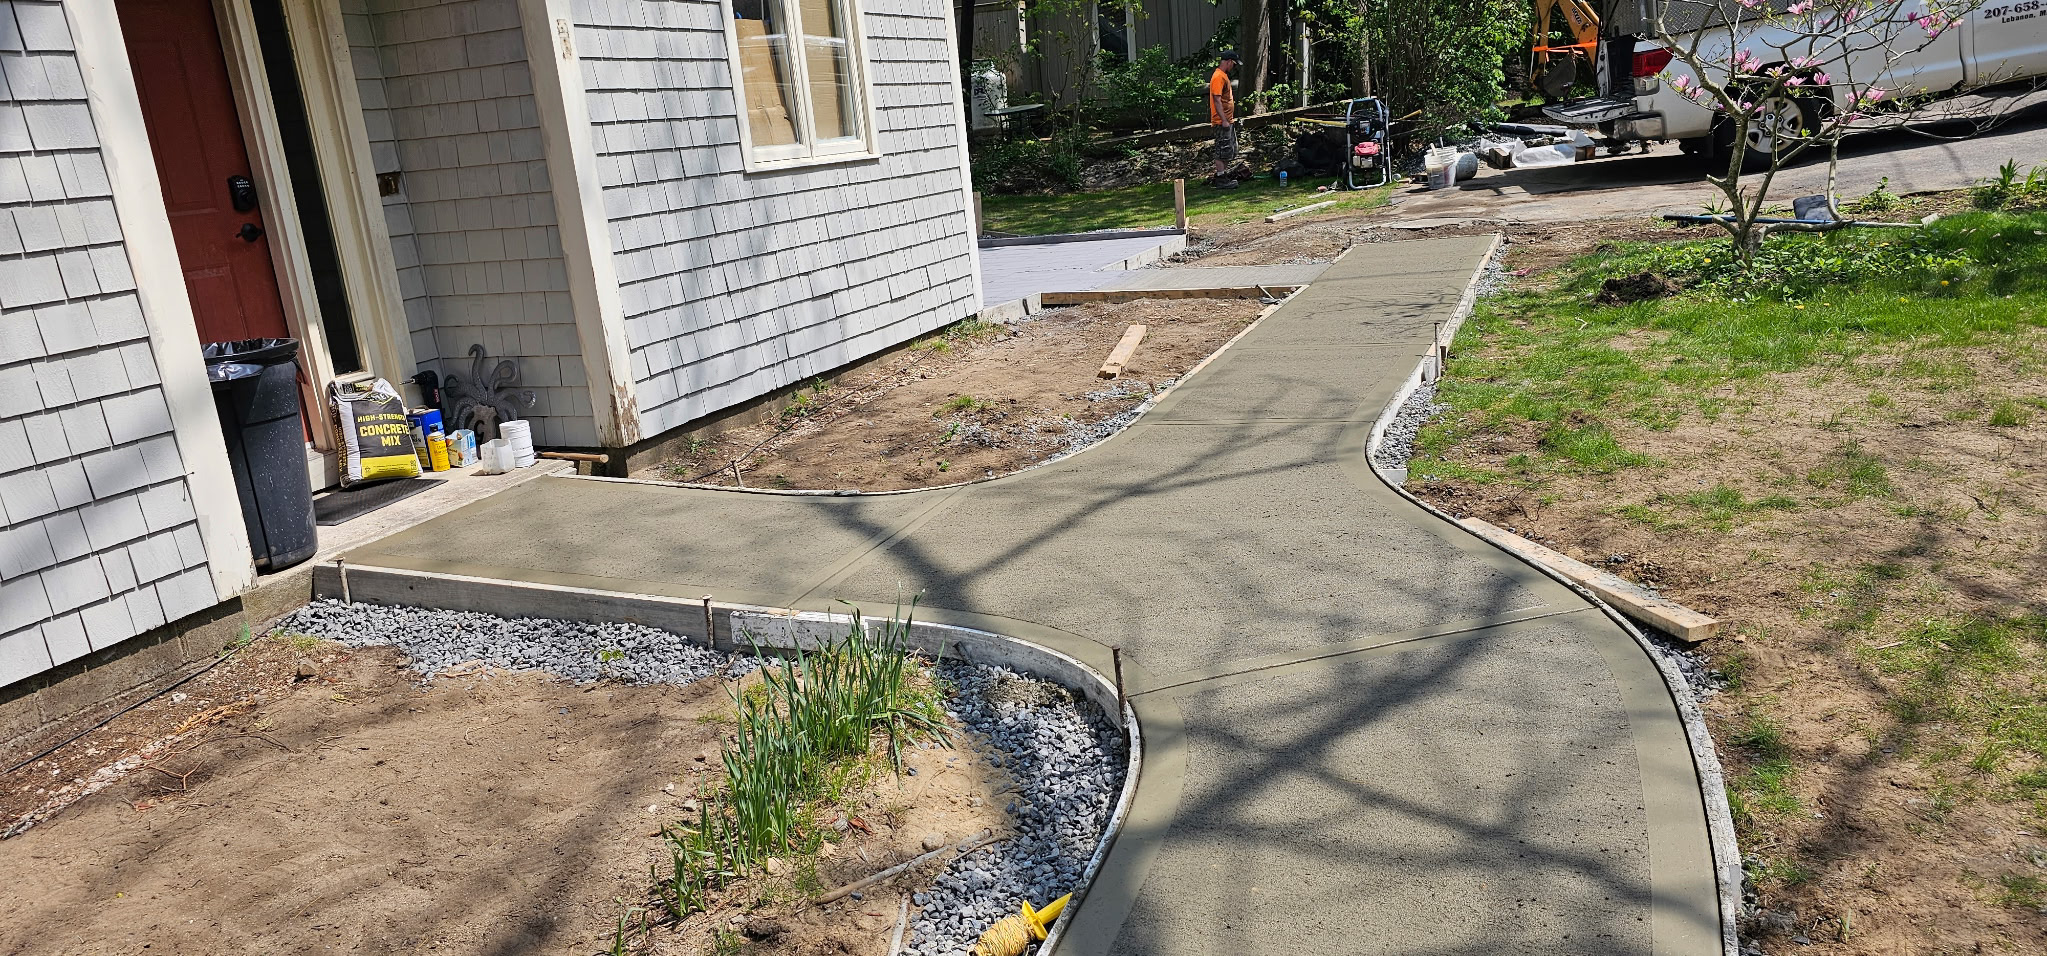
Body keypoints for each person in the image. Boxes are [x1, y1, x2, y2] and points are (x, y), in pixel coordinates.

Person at [1208, 51, 1239, 189]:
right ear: (1229, 62)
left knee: (1230, 149)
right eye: (1233, 64)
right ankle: (1221, 178)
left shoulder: (1223, 76)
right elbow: (1216, 99)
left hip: (1228, 120)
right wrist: (1224, 120)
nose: (1233, 67)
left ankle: (1223, 175)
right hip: (1222, 122)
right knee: (1222, 149)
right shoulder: (1218, 77)